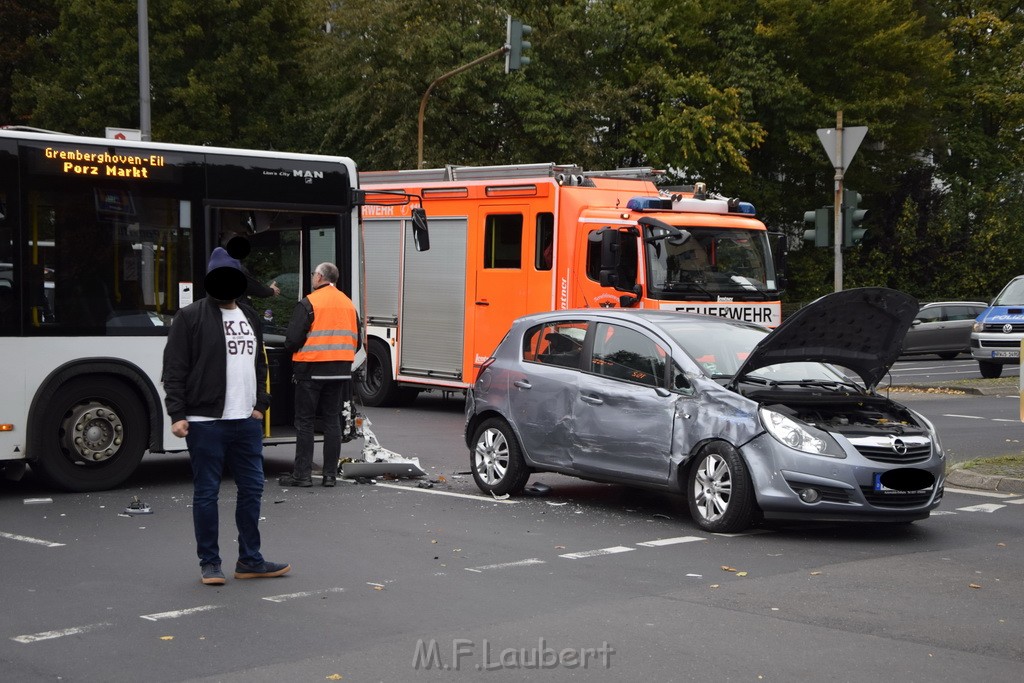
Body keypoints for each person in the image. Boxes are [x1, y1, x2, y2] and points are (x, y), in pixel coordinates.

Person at [162, 246, 290, 586]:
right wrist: (176, 413)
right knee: (207, 492)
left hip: (245, 422)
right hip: (205, 422)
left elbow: (258, 363)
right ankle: (210, 563)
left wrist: (260, 405)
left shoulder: (249, 316)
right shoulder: (189, 317)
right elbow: (174, 369)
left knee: (252, 489)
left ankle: (250, 560)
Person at [279, 262, 360, 488]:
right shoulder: (348, 304)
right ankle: (330, 475)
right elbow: (357, 340)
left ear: (320, 277)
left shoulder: (309, 303)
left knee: (304, 422)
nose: (313, 277)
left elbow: (292, 340)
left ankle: (302, 475)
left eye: (314, 273)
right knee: (332, 420)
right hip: (340, 372)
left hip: (311, 370)